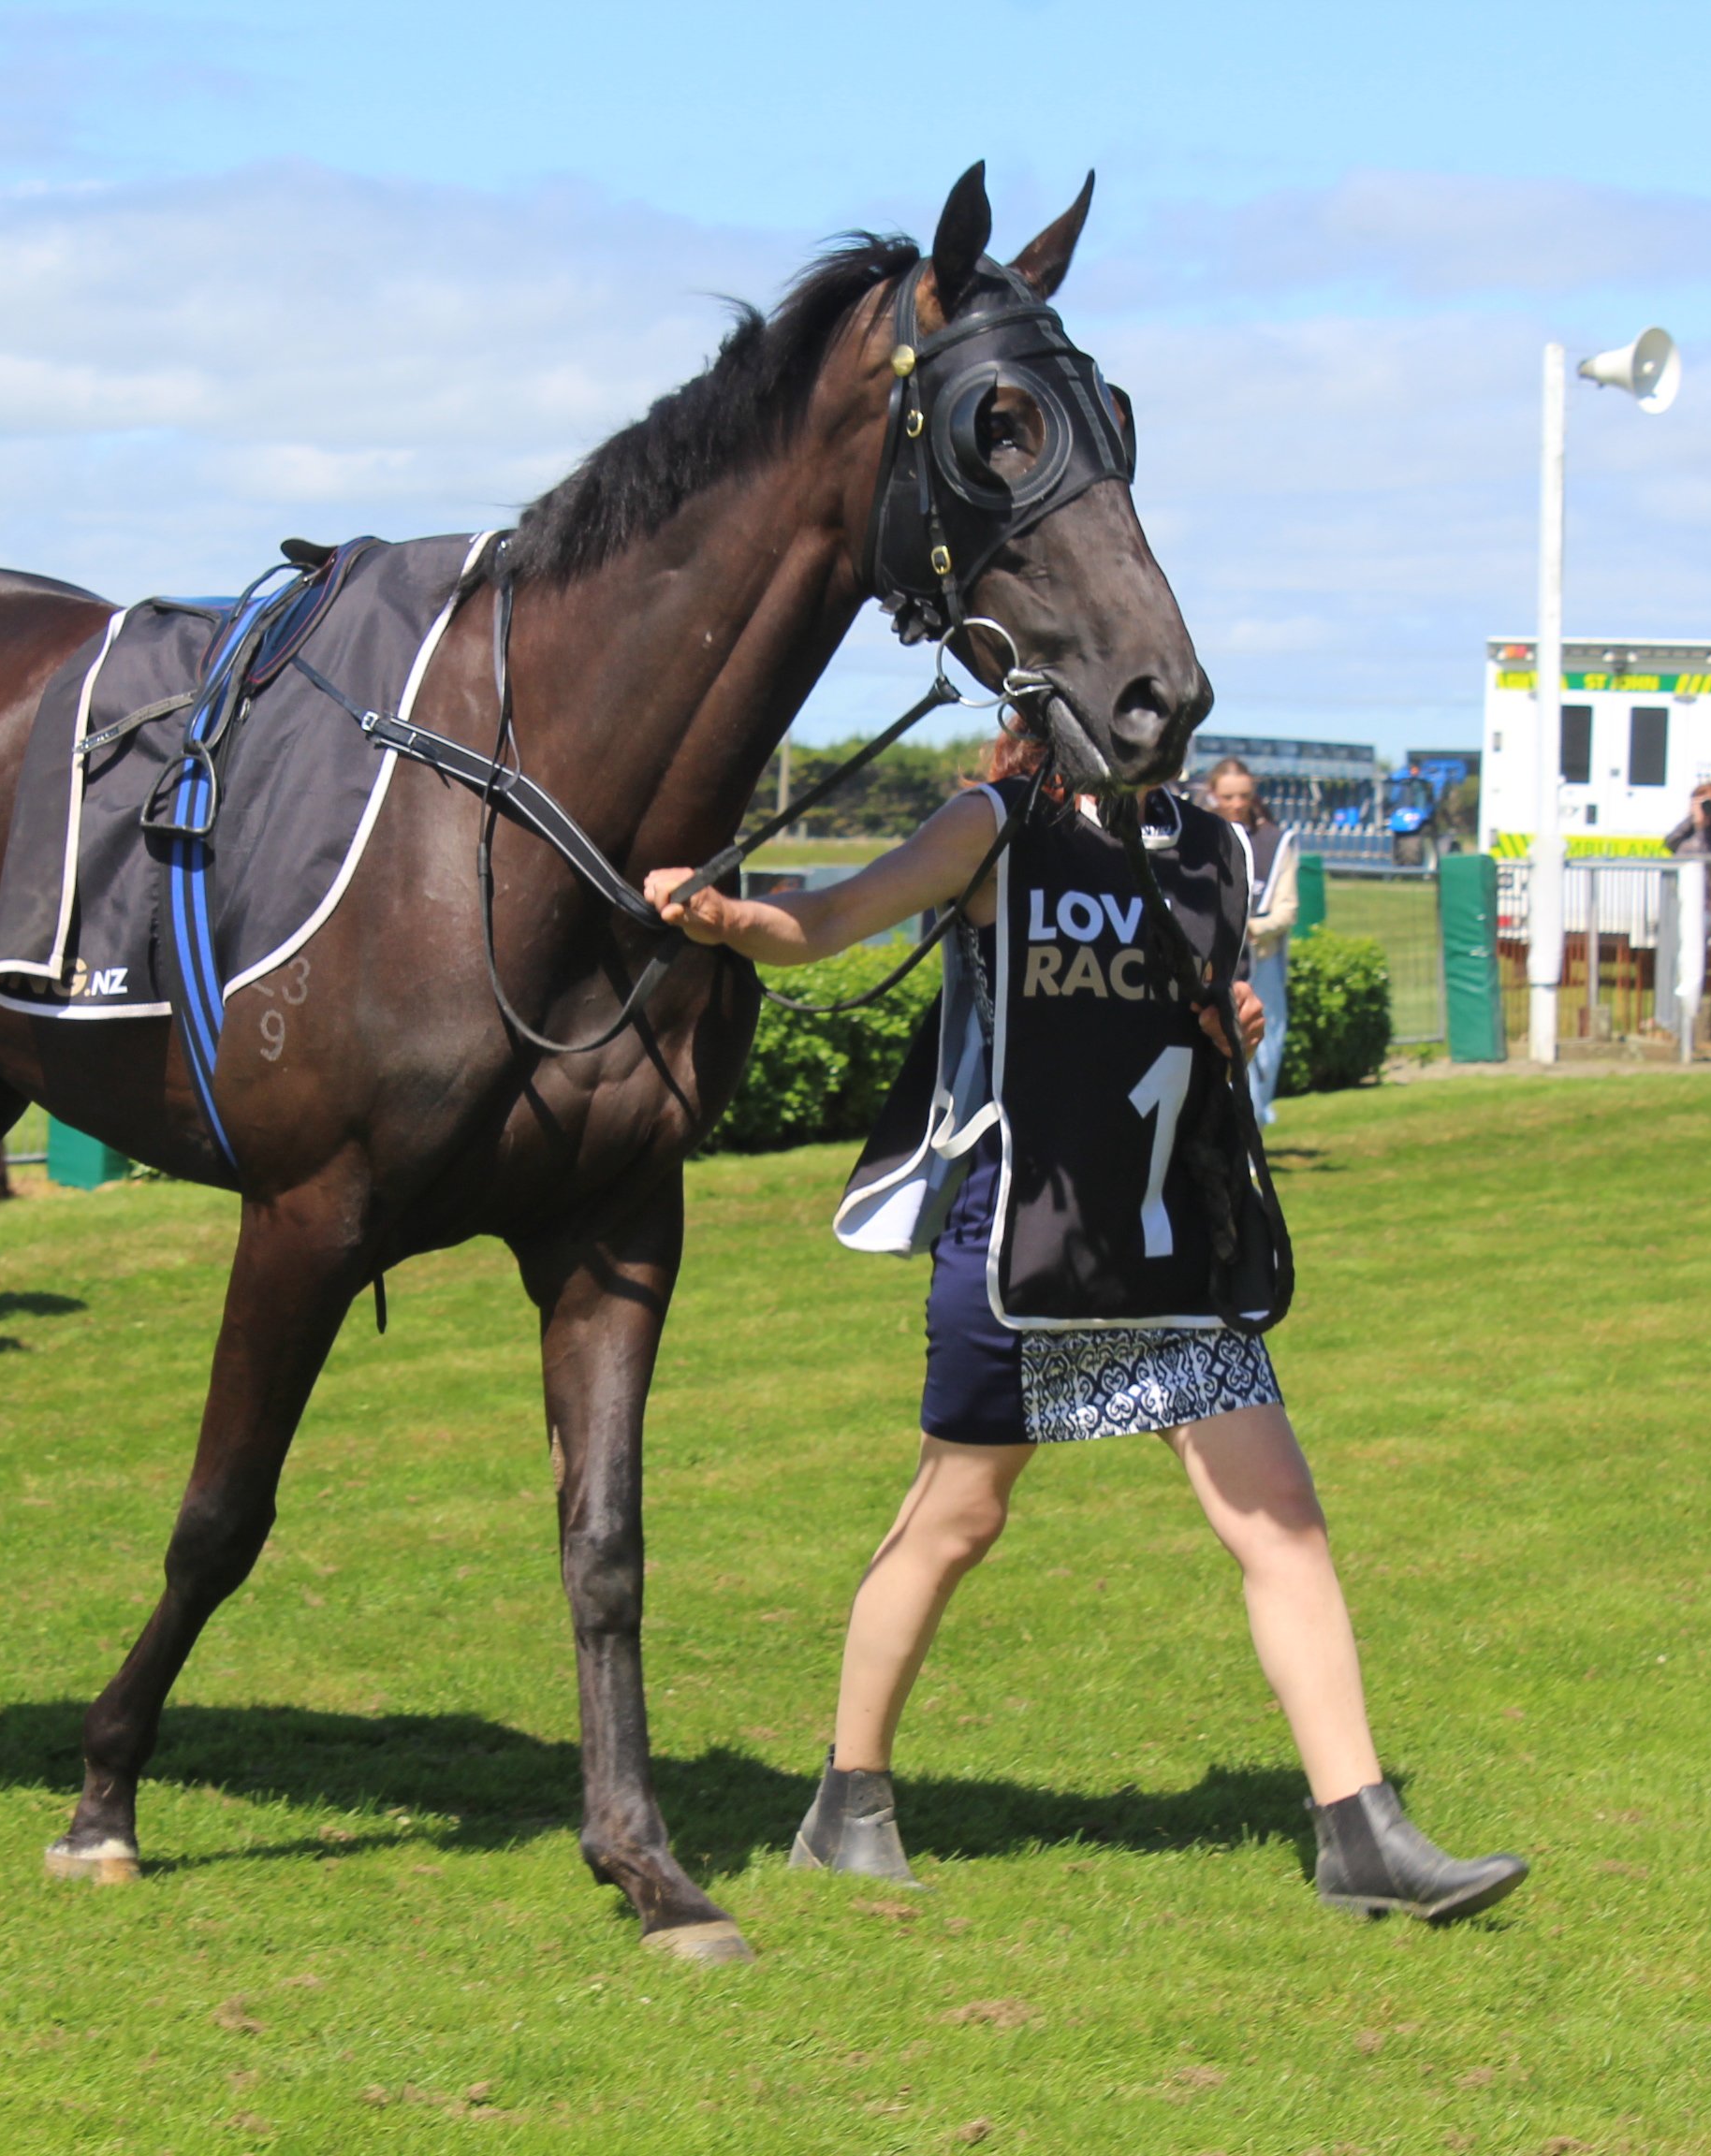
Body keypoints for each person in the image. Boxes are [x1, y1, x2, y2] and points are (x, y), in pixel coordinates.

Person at [642, 728, 1528, 1927]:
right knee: (956, 1522)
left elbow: (1196, 1014)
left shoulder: (1207, 848)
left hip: (1167, 1254)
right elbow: (838, 916)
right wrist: (729, 922)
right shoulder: (992, 827)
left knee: (1286, 1529)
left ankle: (1361, 1834)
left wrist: (1230, 1020)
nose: (1145, 719)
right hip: (1024, 1252)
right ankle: (845, 1806)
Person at [1202, 757, 1298, 1123]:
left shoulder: (1276, 842)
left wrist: (1247, 928)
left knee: (1266, 1045)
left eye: (1243, 795)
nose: (1236, 803)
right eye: (1228, 796)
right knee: (1228, 1042)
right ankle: (1241, 1133)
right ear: (1213, 795)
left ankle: (1251, 1125)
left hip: (1262, 957)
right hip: (1213, 962)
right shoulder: (1199, 835)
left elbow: (1286, 910)